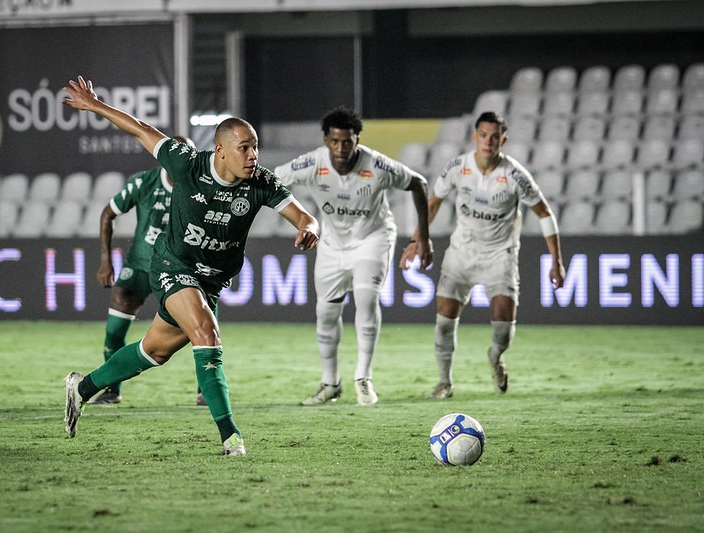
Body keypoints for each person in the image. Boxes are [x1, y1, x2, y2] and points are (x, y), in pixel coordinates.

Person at [61, 76, 320, 456]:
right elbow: (142, 130)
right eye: (244, 148)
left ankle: (81, 388)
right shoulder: (187, 164)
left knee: (154, 351)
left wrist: (308, 229)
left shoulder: (261, 183)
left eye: (255, 148)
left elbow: (303, 216)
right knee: (206, 333)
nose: (253, 156)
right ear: (220, 150)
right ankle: (232, 438)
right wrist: (96, 105)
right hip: (173, 265)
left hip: (211, 281)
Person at [400, 111, 565, 399]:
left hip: (500, 256)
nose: (488, 141)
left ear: (504, 139)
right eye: (483, 135)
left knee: (503, 326)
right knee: (443, 321)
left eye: (495, 136)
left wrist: (557, 261)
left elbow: (545, 213)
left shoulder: (514, 175)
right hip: (462, 253)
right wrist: (418, 239)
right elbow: (434, 201)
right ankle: (444, 382)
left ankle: (496, 356)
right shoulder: (457, 167)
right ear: (474, 136)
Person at [274, 106, 432, 407]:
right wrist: (300, 219)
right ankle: (330, 383)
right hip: (331, 244)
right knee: (326, 314)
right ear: (325, 140)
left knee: (365, 299)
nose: (341, 148)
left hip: (372, 239)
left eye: (347, 141)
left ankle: (363, 378)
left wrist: (421, 236)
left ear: (357, 140)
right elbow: (273, 182)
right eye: (335, 141)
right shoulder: (311, 163)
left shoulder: (378, 166)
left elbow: (418, 183)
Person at [87, 137, 208, 407]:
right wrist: (105, 261)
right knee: (114, 331)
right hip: (140, 267)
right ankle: (111, 391)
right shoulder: (144, 183)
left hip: (180, 270)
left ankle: (205, 392)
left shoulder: (201, 187)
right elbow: (108, 214)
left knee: (200, 329)